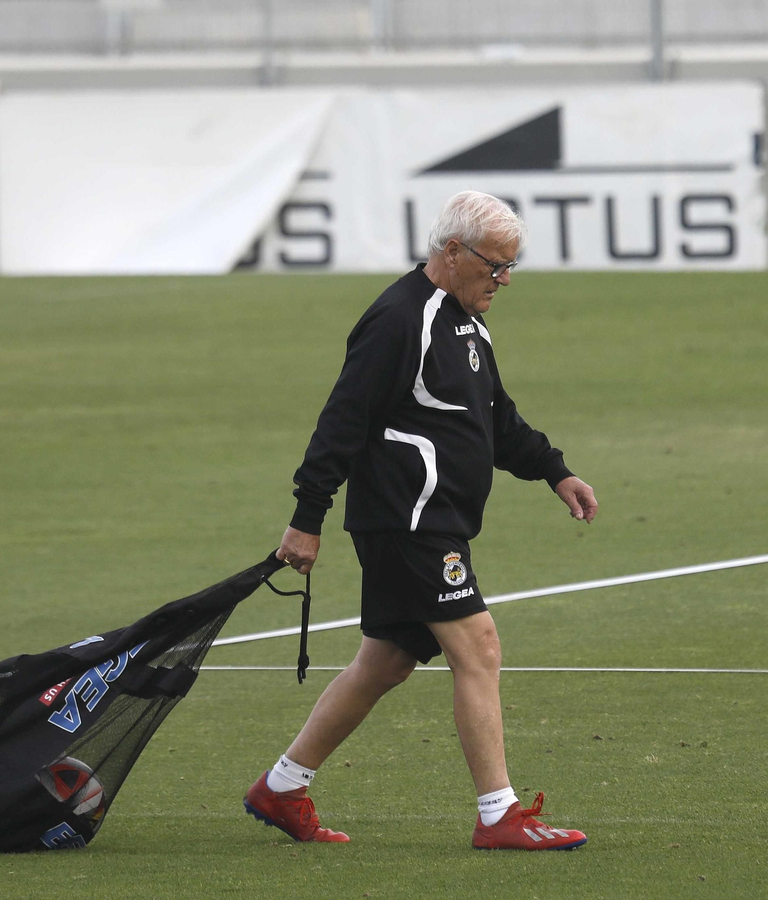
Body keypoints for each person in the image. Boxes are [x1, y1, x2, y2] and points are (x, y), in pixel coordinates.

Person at [243, 190, 599, 851]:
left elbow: (496, 419)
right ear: (452, 252)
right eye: (497, 266)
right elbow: (342, 420)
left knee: (385, 663)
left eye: (511, 266)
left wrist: (555, 471)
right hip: (409, 520)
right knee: (479, 646)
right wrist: (306, 515)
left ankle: (282, 787)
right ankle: (499, 815)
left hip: (431, 519)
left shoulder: (465, 320)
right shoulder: (399, 320)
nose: (506, 280)